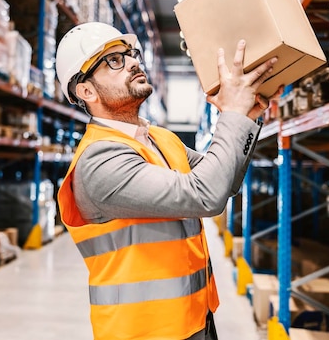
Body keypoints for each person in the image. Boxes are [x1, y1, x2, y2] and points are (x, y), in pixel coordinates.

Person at [55, 21, 279, 340]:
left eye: (131, 54)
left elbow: (224, 182)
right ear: (86, 91)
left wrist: (245, 117)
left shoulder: (161, 139)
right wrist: (230, 113)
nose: (133, 62)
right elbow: (206, 197)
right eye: (114, 60)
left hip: (196, 317)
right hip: (144, 331)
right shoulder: (98, 162)